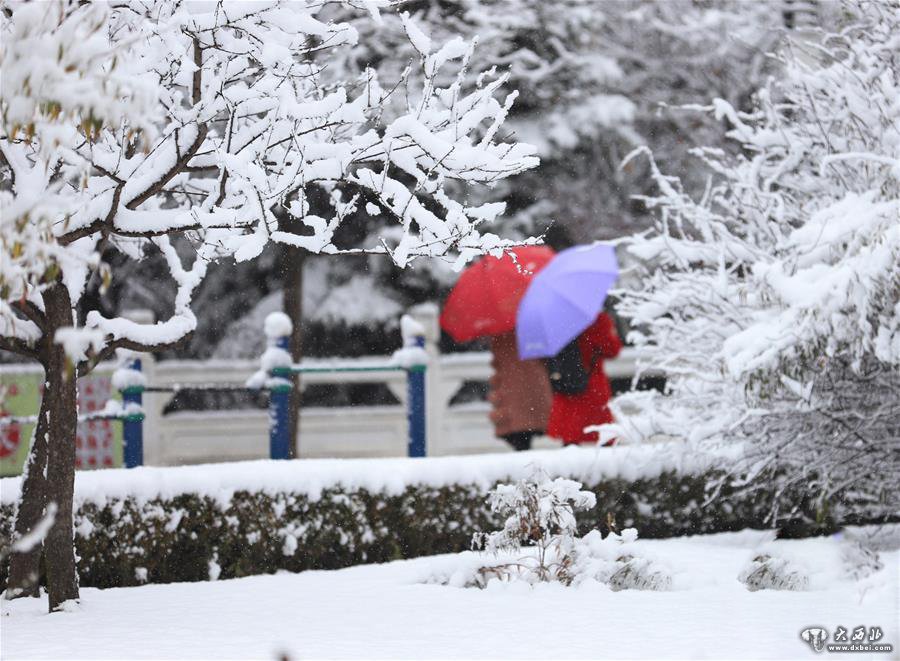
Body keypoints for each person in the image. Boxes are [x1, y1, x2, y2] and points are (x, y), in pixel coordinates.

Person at [546, 312, 622, 446]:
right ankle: (607, 466)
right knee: (604, 434)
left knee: (570, 437)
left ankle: (572, 466)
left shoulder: (558, 320)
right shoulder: (596, 319)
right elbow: (612, 350)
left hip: (567, 380)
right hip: (592, 382)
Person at [487, 331, 553, 451]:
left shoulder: (501, 334)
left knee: (518, 433)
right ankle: (526, 460)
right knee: (527, 428)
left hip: (511, 389)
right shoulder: (533, 332)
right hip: (534, 386)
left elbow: (497, 362)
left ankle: (523, 462)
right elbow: (546, 358)